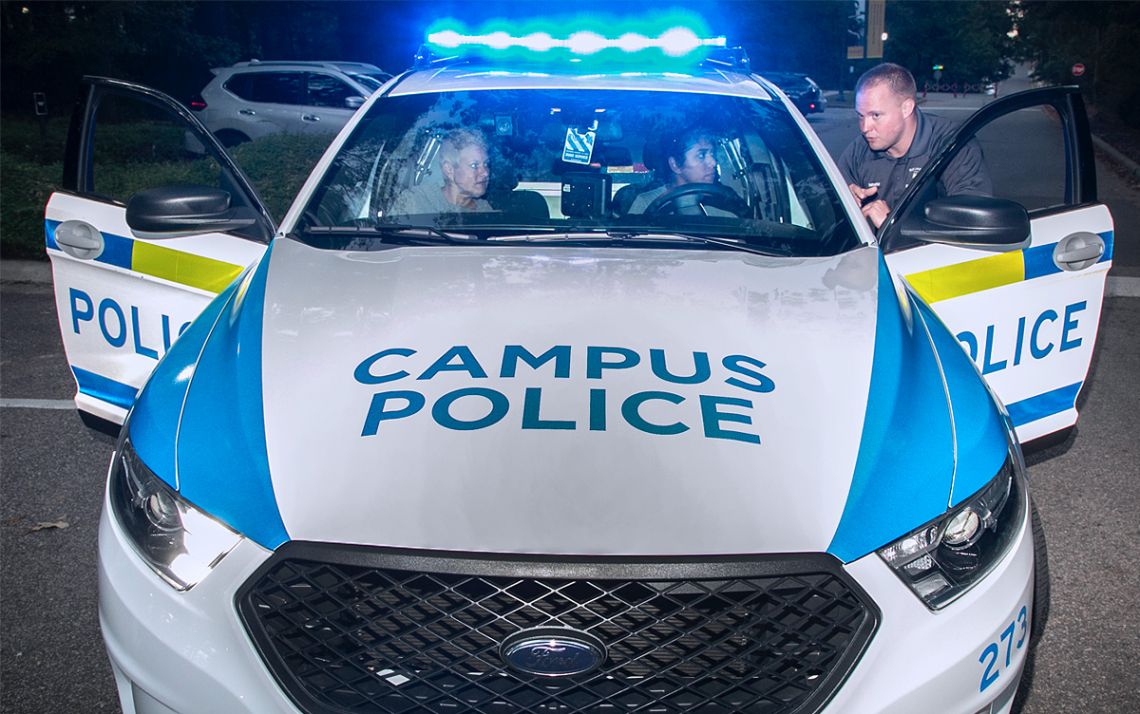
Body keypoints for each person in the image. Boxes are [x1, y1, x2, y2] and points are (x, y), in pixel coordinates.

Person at [838, 62, 992, 229]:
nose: (865, 127)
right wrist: (843, 202)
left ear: (906, 108)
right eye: (860, 116)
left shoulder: (952, 146)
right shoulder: (857, 153)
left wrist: (892, 226)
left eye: (876, 115)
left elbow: (972, 223)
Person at [628, 127, 735, 216]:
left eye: (712, 154)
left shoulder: (725, 200)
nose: (713, 162)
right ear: (675, 165)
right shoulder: (645, 202)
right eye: (701, 155)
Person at [390, 128, 494, 215]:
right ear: (449, 170)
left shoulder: (484, 211)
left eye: (485, 164)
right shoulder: (415, 202)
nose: (485, 173)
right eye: (474, 165)